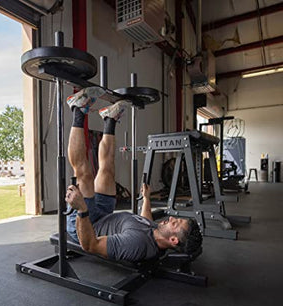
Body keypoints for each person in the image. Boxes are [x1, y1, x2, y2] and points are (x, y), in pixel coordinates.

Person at [65, 86, 203, 262]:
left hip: (86, 225)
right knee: (107, 170)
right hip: (106, 214)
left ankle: (77, 109)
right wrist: (146, 199)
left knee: (85, 175)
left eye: (175, 223)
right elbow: (144, 221)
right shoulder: (157, 233)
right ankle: (109, 119)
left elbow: (90, 245)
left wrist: (82, 210)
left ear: (173, 240)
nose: (171, 218)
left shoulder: (136, 244)